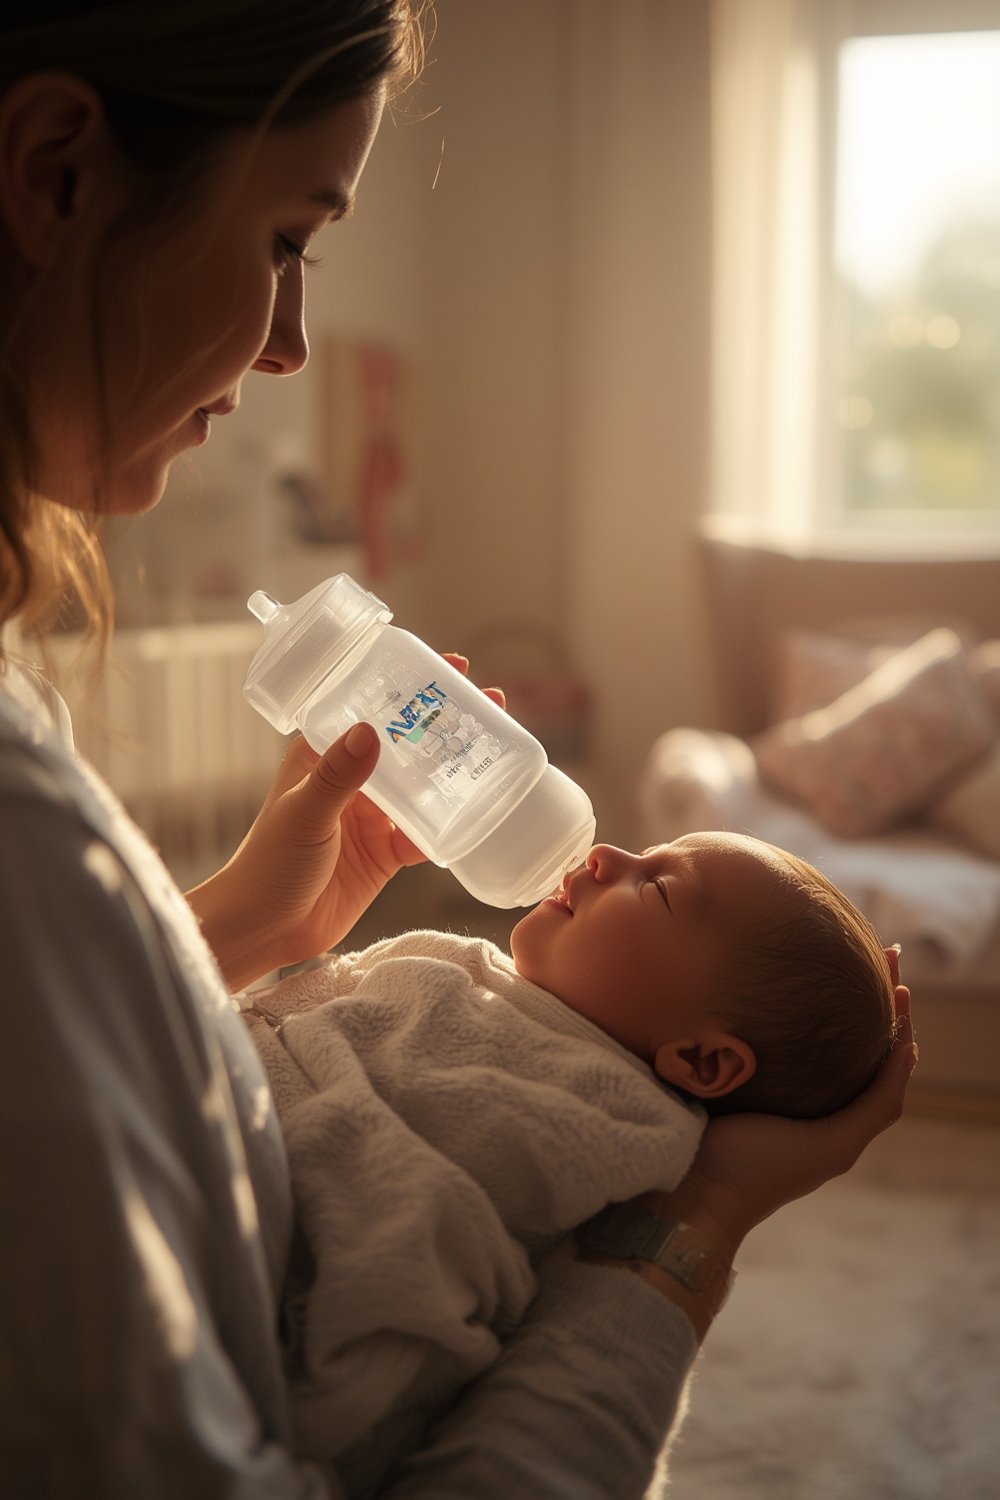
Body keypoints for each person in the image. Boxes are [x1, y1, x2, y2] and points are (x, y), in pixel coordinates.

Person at [0, 2, 917, 1496]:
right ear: (53, 175)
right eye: (291, 238)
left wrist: (229, 932)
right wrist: (692, 1243)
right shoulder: (25, 830)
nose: (294, 345)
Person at [243, 832, 898, 1496]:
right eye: (648, 853)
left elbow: (417, 1210)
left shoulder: (601, 1120)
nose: (607, 854)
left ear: (702, 1061)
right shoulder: (467, 972)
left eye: (658, 887)